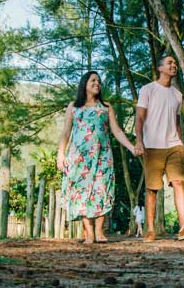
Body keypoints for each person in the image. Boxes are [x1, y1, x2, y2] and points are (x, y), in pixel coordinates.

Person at [58, 71, 135, 244]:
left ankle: (99, 232)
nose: (97, 83)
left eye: (99, 81)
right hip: (79, 158)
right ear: (85, 83)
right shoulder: (74, 107)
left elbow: (117, 131)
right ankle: (89, 232)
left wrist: (131, 147)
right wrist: (60, 154)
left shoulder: (106, 107)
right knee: (82, 192)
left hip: (102, 156)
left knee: (101, 190)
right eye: (93, 80)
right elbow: (66, 132)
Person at [134, 55, 184, 242]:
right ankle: (150, 230)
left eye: (175, 63)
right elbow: (139, 118)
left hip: (173, 146)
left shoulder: (177, 95)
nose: (174, 65)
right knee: (152, 189)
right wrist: (139, 141)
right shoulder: (147, 90)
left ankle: (183, 227)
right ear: (160, 68)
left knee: (179, 182)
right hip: (152, 146)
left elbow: (177, 121)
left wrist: (181, 143)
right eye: (169, 63)